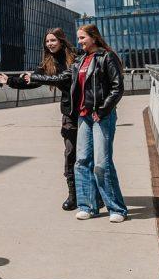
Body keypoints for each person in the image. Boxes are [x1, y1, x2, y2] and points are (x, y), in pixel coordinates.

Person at [33, 24, 128, 223]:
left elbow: (117, 88)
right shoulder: (80, 60)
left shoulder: (106, 57)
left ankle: (116, 208)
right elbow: (62, 78)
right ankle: (88, 206)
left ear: (94, 37)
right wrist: (30, 77)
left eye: (82, 38)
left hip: (102, 116)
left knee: (102, 163)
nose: (79, 42)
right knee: (81, 161)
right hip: (83, 116)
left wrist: (102, 110)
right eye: (78, 38)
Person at [0, 28, 81, 211]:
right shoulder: (47, 63)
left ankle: (94, 192)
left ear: (62, 40)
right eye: (47, 41)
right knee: (70, 154)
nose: (50, 44)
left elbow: (64, 79)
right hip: (69, 112)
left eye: (53, 40)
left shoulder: (76, 57)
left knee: (90, 154)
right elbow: (32, 81)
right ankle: (73, 195)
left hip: (86, 110)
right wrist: (9, 81)